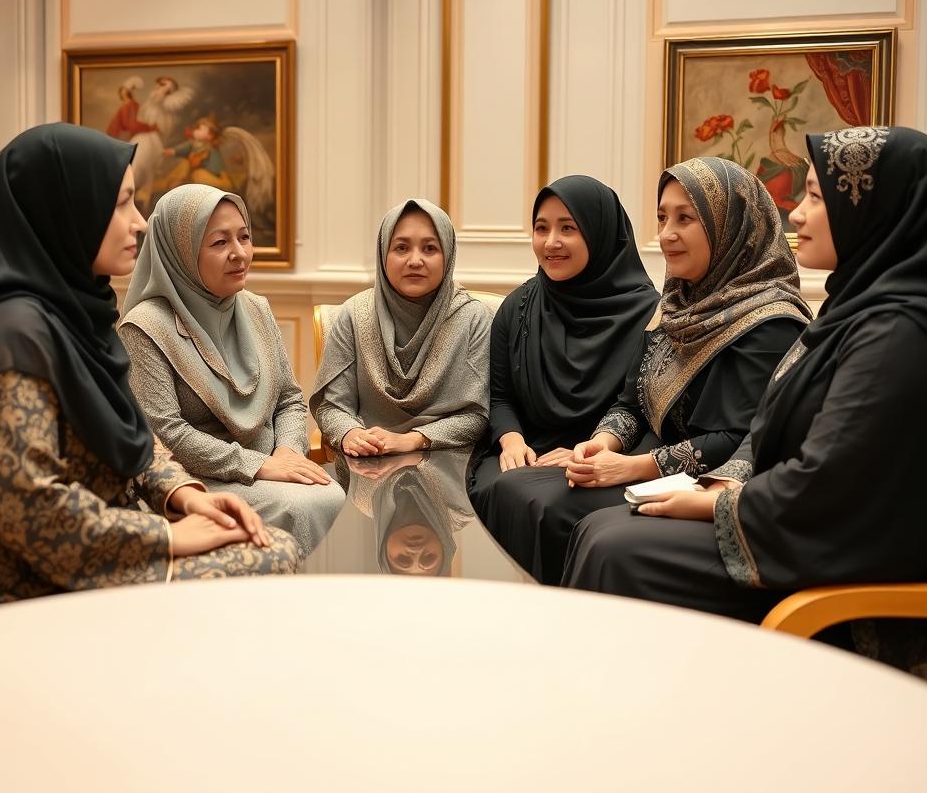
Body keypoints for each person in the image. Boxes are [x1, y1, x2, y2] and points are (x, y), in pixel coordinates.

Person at [562, 127, 927, 674]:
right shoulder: (851, 309)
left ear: (873, 209)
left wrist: (713, 501)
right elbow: (763, 435)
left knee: (619, 547)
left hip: (839, 560)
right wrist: (713, 483)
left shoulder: (896, 332)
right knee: (601, 528)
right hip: (788, 522)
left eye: (815, 197)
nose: (796, 216)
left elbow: (828, 482)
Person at [0, 123, 298, 608]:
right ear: (63, 211)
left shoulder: (75, 315)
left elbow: (128, 432)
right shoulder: (9, 336)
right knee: (272, 556)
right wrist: (169, 536)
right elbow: (30, 510)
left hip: (85, 552)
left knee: (267, 546)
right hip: (17, 581)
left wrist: (185, 494)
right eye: (120, 204)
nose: (139, 222)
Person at [482, 158, 811, 584]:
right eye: (661, 217)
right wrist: (602, 443)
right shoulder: (676, 305)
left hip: (710, 485)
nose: (666, 234)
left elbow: (735, 441)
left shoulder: (768, 323)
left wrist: (629, 467)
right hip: (654, 466)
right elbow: (632, 401)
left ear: (729, 227)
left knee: (552, 508)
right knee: (515, 490)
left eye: (685, 218)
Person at [120, 184, 345, 558]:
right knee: (304, 503)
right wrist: (259, 466)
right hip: (196, 486)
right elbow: (167, 435)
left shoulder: (255, 308)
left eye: (244, 237)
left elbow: (288, 398)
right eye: (219, 243)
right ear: (181, 252)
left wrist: (288, 452)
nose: (239, 253)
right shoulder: (144, 327)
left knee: (326, 493)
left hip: (273, 467)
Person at [468, 176, 659, 519]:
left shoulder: (650, 315)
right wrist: (511, 440)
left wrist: (587, 451)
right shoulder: (518, 307)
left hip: (608, 457)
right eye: (541, 229)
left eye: (568, 228)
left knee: (547, 503)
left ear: (599, 232)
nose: (551, 242)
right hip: (528, 448)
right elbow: (500, 397)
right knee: (495, 488)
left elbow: (643, 411)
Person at [310, 199, 490, 470]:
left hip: (454, 462)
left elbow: (478, 415)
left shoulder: (473, 318)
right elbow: (332, 406)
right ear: (384, 254)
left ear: (448, 255)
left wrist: (413, 440)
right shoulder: (354, 316)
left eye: (430, 248)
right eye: (401, 248)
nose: (415, 260)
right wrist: (351, 434)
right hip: (367, 462)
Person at [347, 450, 475, 577]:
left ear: (384, 554)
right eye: (428, 558)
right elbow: (468, 438)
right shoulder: (465, 507)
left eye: (403, 560)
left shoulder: (362, 497)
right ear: (444, 551)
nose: (416, 551)